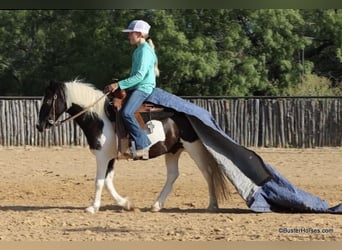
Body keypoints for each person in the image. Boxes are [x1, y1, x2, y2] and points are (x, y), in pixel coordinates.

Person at [104, 20, 159, 159]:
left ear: (139, 34)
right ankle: (123, 146)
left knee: (127, 113)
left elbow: (140, 76)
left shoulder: (145, 52)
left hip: (143, 88)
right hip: (136, 87)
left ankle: (142, 145)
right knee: (114, 104)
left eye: (130, 33)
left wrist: (119, 85)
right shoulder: (138, 51)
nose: (128, 36)